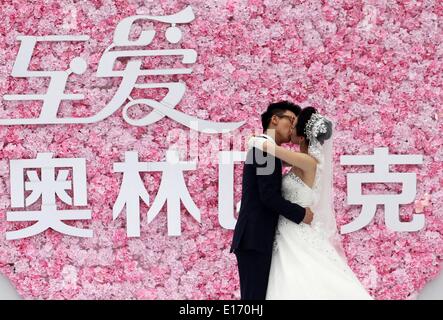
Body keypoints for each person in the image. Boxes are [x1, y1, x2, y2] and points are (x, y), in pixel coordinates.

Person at [248, 106, 373, 299]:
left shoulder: (308, 161)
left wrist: (256, 140)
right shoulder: (303, 160)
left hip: (292, 231)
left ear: (302, 135)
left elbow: (268, 148)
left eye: (294, 125)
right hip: (285, 231)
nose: (290, 128)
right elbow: (277, 160)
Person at [230, 101, 314, 300]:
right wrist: (301, 214)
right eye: (290, 120)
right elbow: (268, 196)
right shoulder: (265, 150)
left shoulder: (267, 148)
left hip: (257, 236)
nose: (293, 127)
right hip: (255, 237)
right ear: (275, 119)